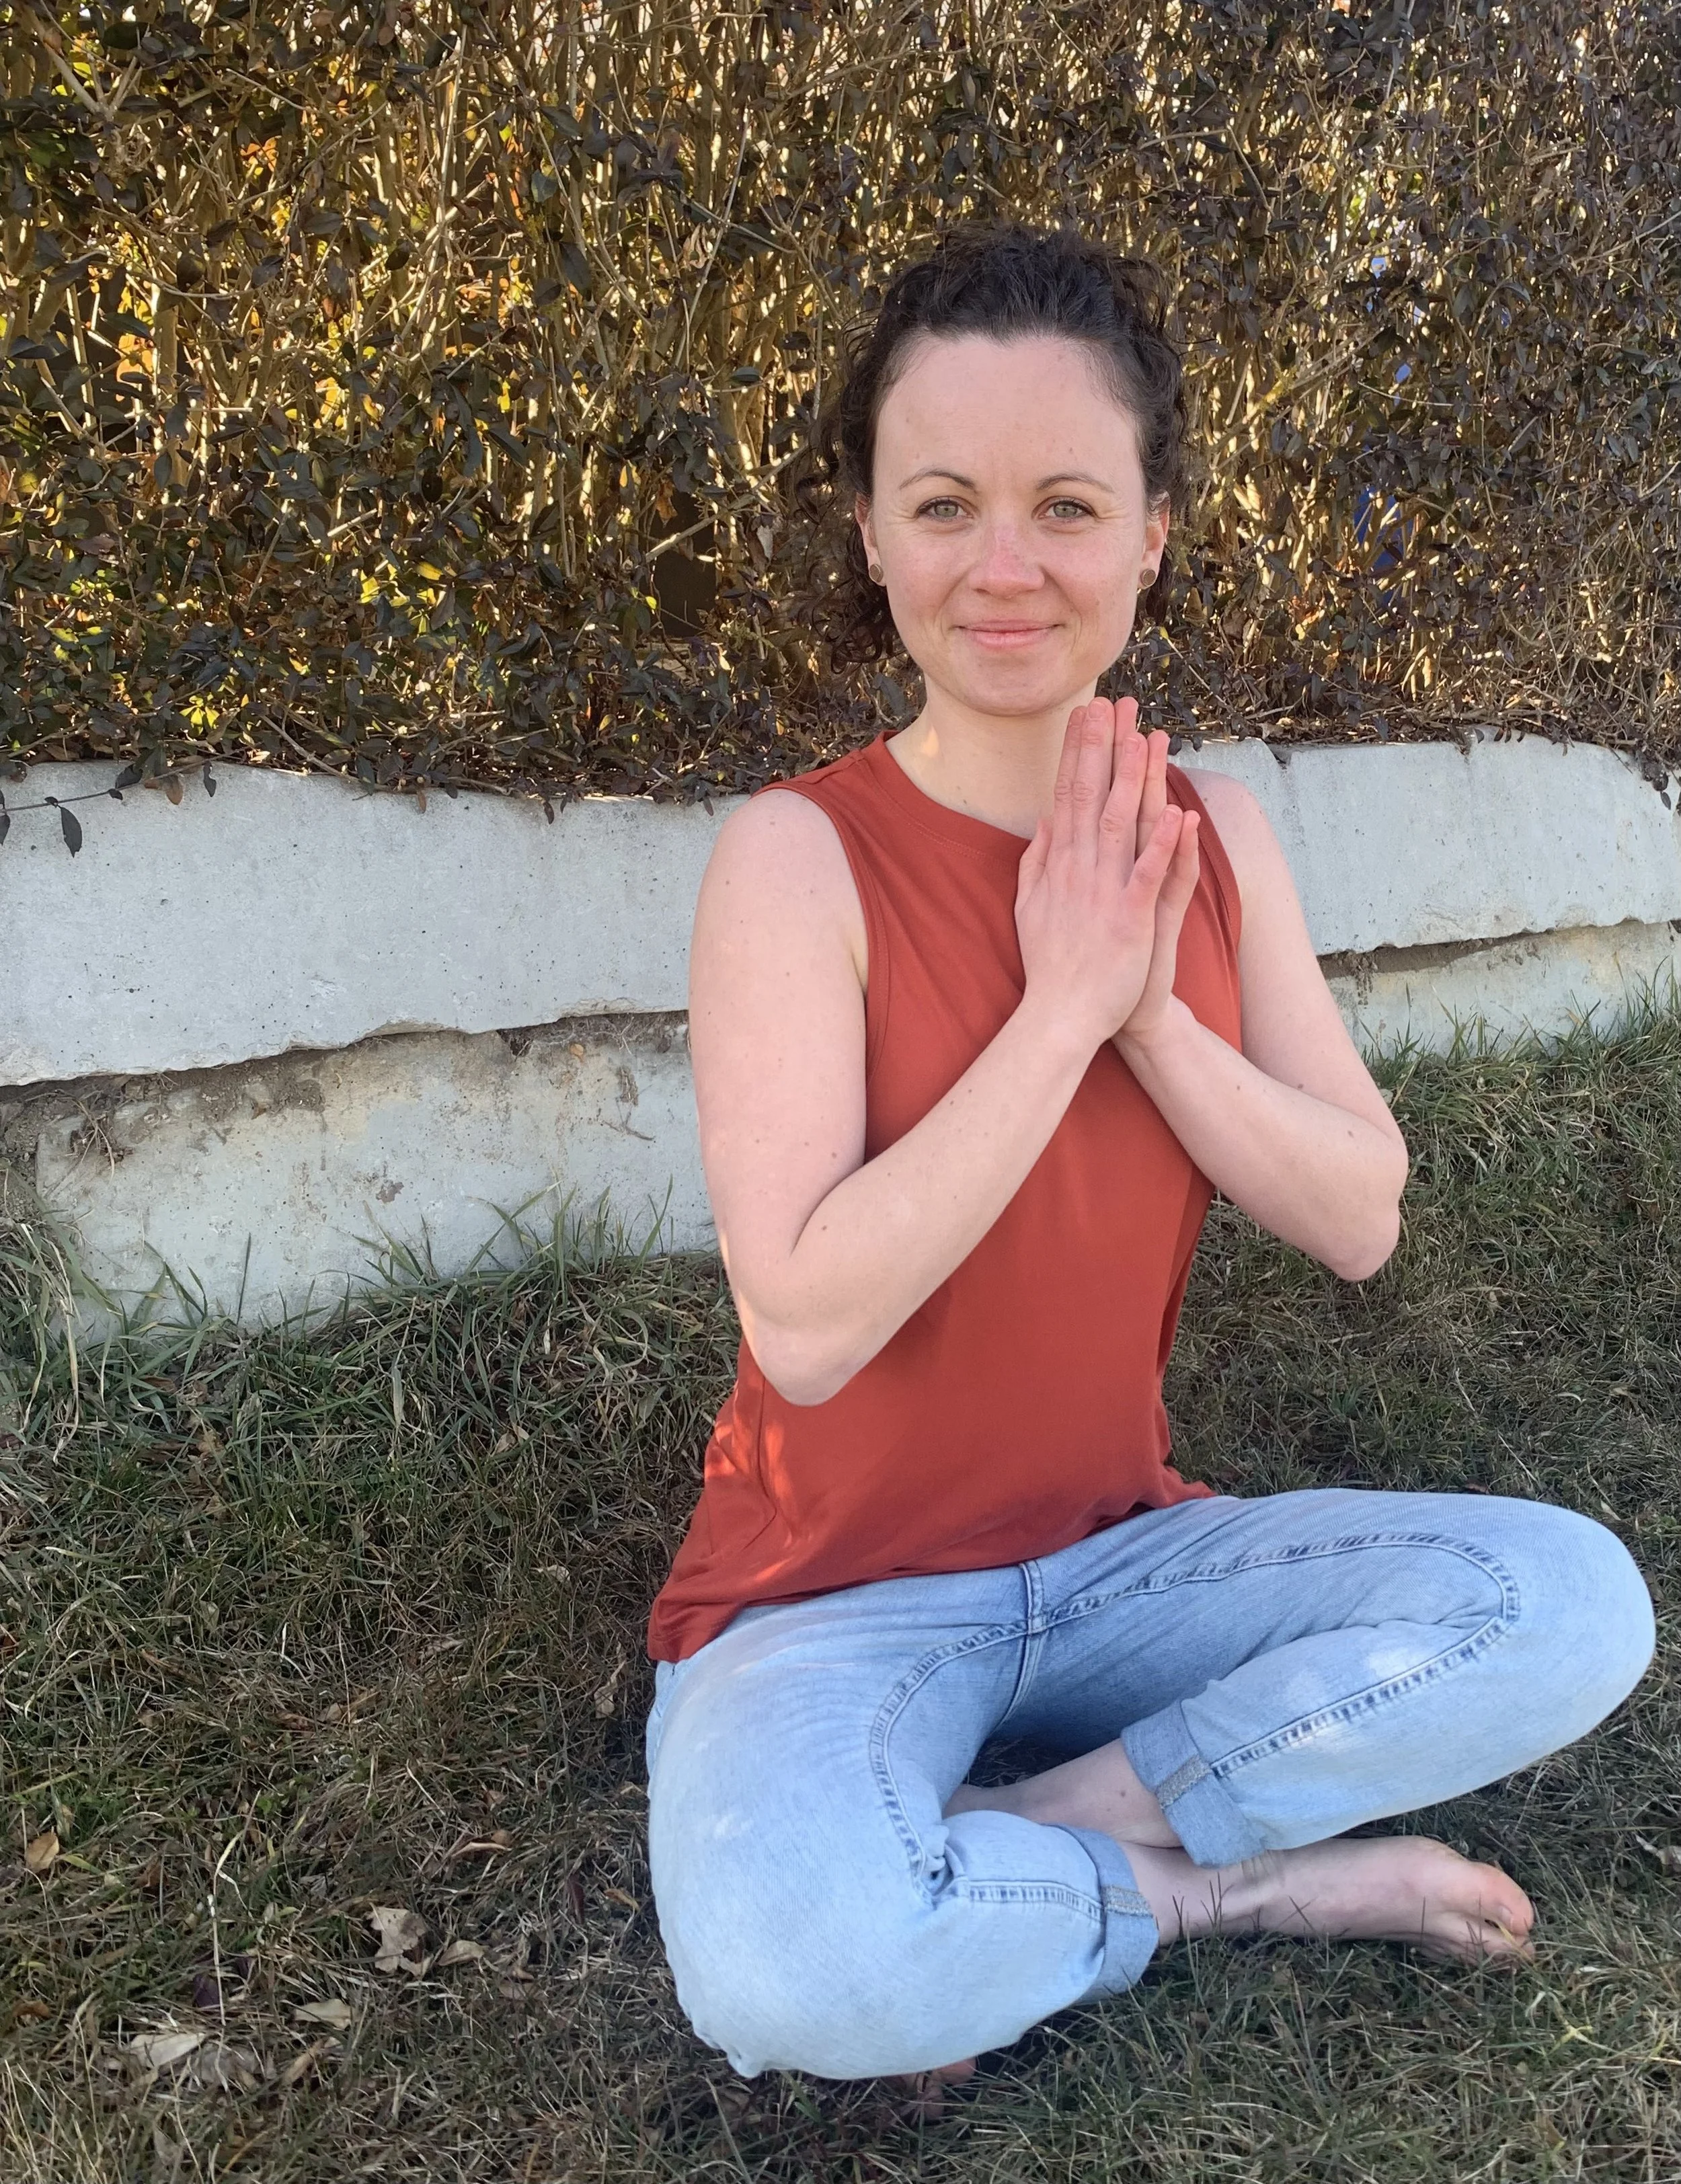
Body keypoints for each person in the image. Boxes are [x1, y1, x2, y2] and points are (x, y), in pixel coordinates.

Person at [641, 225, 1654, 2086]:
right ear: (871, 535)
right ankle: (1231, 1886)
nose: (1004, 564)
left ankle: (1061, 1827)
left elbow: (1357, 1214)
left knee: (1570, 1606)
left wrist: (1145, 1012)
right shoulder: (795, 858)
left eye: (1067, 507)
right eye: (942, 505)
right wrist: (1055, 1008)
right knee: (795, 1970)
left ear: (1151, 535)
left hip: (1125, 1570)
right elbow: (808, 1326)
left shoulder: (1218, 836)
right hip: (825, 1605)